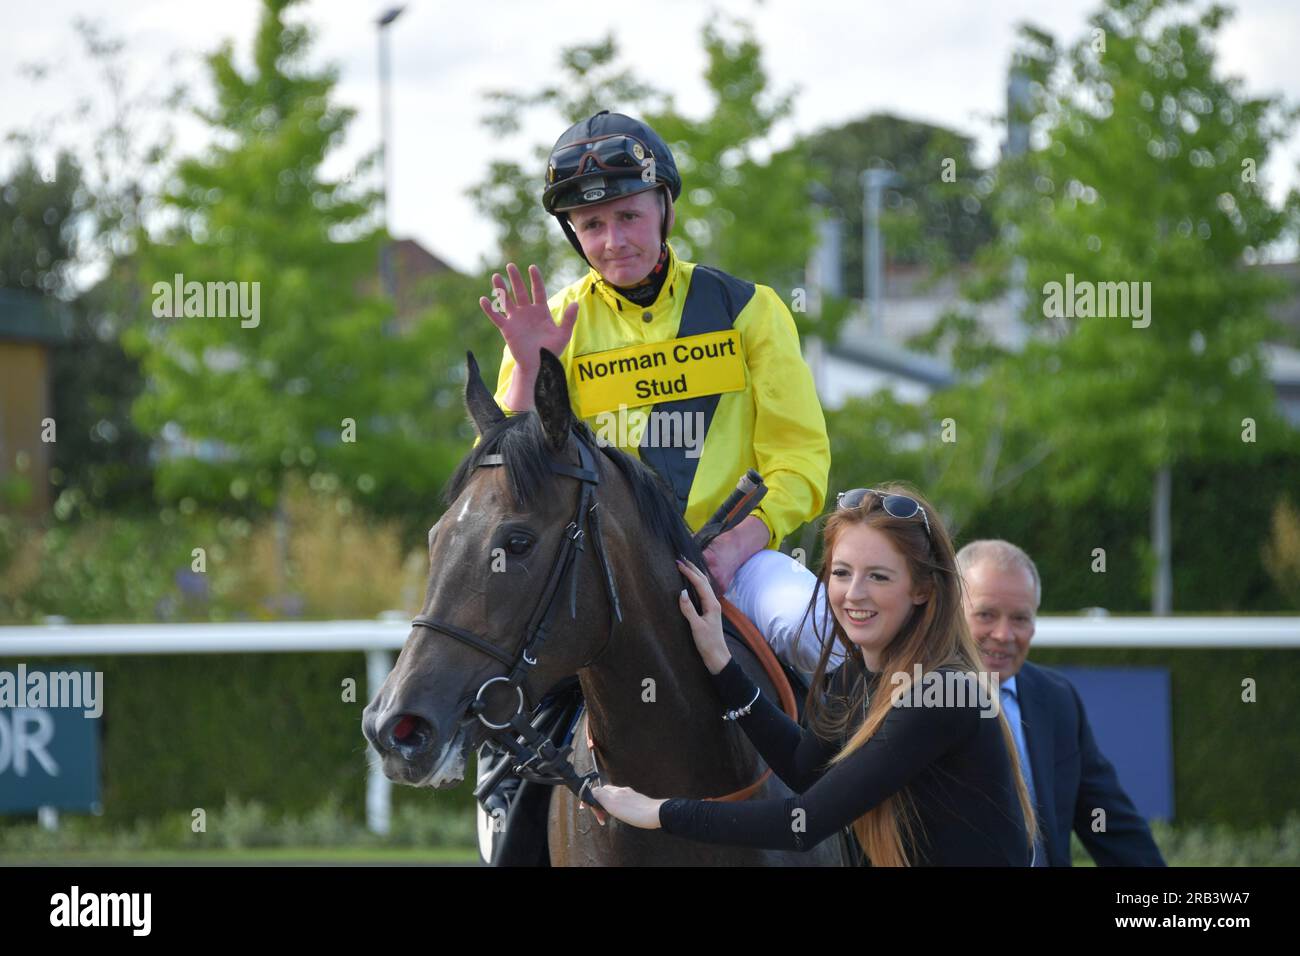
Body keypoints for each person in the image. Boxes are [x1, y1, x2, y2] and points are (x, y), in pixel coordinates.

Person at [474, 110, 836, 864]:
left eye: (628, 216)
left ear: (665, 205)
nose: (613, 242)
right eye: (592, 225)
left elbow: (799, 459)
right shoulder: (559, 322)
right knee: (501, 669)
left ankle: (877, 813)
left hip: (735, 561)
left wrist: (739, 545)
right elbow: (509, 480)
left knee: (832, 638)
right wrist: (531, 373)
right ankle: (507, 818)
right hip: (598, 576)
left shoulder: (748, 309)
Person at [591, 486, 1039, 866]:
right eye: (842, 573)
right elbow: (808, 770)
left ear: (922, 589)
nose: (853, 594)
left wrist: (659, 811)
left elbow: (803, 822)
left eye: (879, 577)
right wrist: (722, 665)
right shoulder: (860, 673)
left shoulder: (942, 692)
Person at [956, 539, 1166, 867]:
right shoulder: (912, 697)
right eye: (985, 614)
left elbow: (1113, 826)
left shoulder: (1056, 700)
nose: (1003, 634)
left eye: (1020, 618)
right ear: (952, 613)